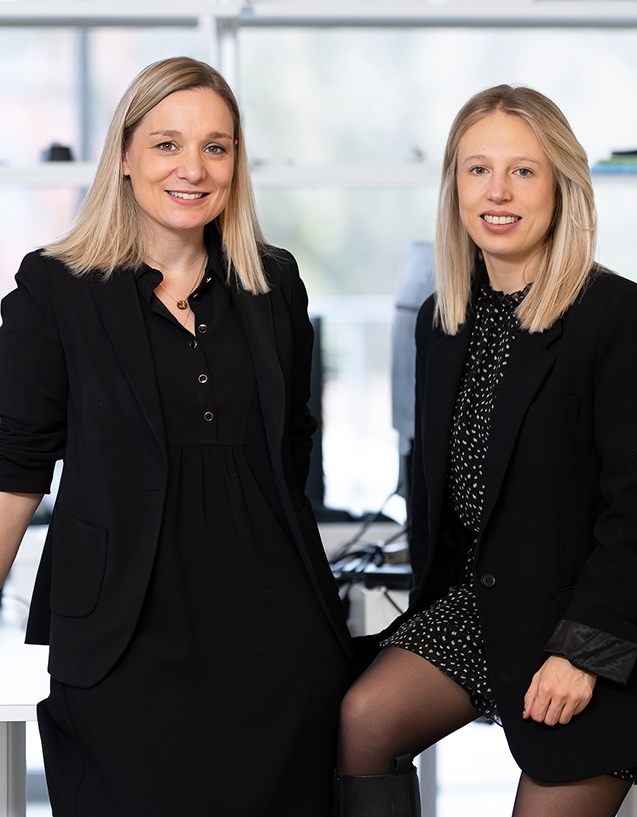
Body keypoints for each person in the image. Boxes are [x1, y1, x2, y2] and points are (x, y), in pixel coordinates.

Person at [0, 56, 354, 817]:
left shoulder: (273, 283)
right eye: (167, 144)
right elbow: (13, 470)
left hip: (277, 644)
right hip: (122, 643)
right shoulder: (55, 289)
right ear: (125, 156)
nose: (193, 168)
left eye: (215, 147)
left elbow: (291, 449)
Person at [334, 84, 637, 817]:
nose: (496, 192)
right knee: (362, 719)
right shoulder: (442, 319)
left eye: (522, 171)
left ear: (561, 187)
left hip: (594, 621)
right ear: (454, 186)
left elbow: (635, 510)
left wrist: (583, 652)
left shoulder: (615, 316)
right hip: (484, 608)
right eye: (477, 170)